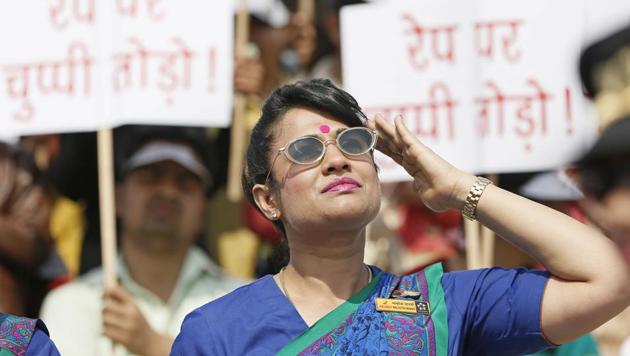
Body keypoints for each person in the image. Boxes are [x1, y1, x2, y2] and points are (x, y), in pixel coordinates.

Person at [172, 79, 630, 355]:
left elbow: (608, 279)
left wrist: (455, 186)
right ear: (267, 199)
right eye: (308, 150)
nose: (337, 161)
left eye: (353, 143)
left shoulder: (438, 307)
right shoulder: (217, 332)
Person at [41, 126, 243, 356]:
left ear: (203, 209)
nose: (168, 192)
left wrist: (156, 347)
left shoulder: (241, 301)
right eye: (151, 177)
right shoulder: (72, 304)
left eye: (185, 182)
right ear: (117, 197)